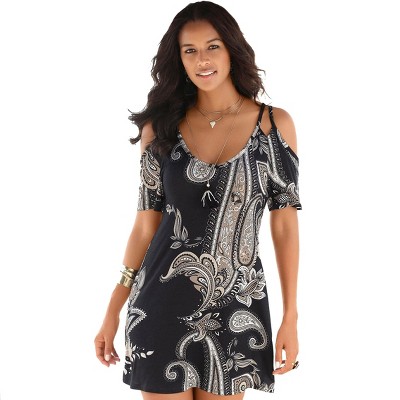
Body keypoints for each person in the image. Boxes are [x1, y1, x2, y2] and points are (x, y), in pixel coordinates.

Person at [94, 1, 302, 399]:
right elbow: (145, 226)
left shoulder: (274, 126)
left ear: (232, 49)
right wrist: (113, 308)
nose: (202, 60)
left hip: (237, 308)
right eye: (190, 50)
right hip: (158, 306)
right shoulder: (160, 127)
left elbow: (286, 223)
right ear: (179, 59)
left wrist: (291, 314)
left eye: (212, 47)